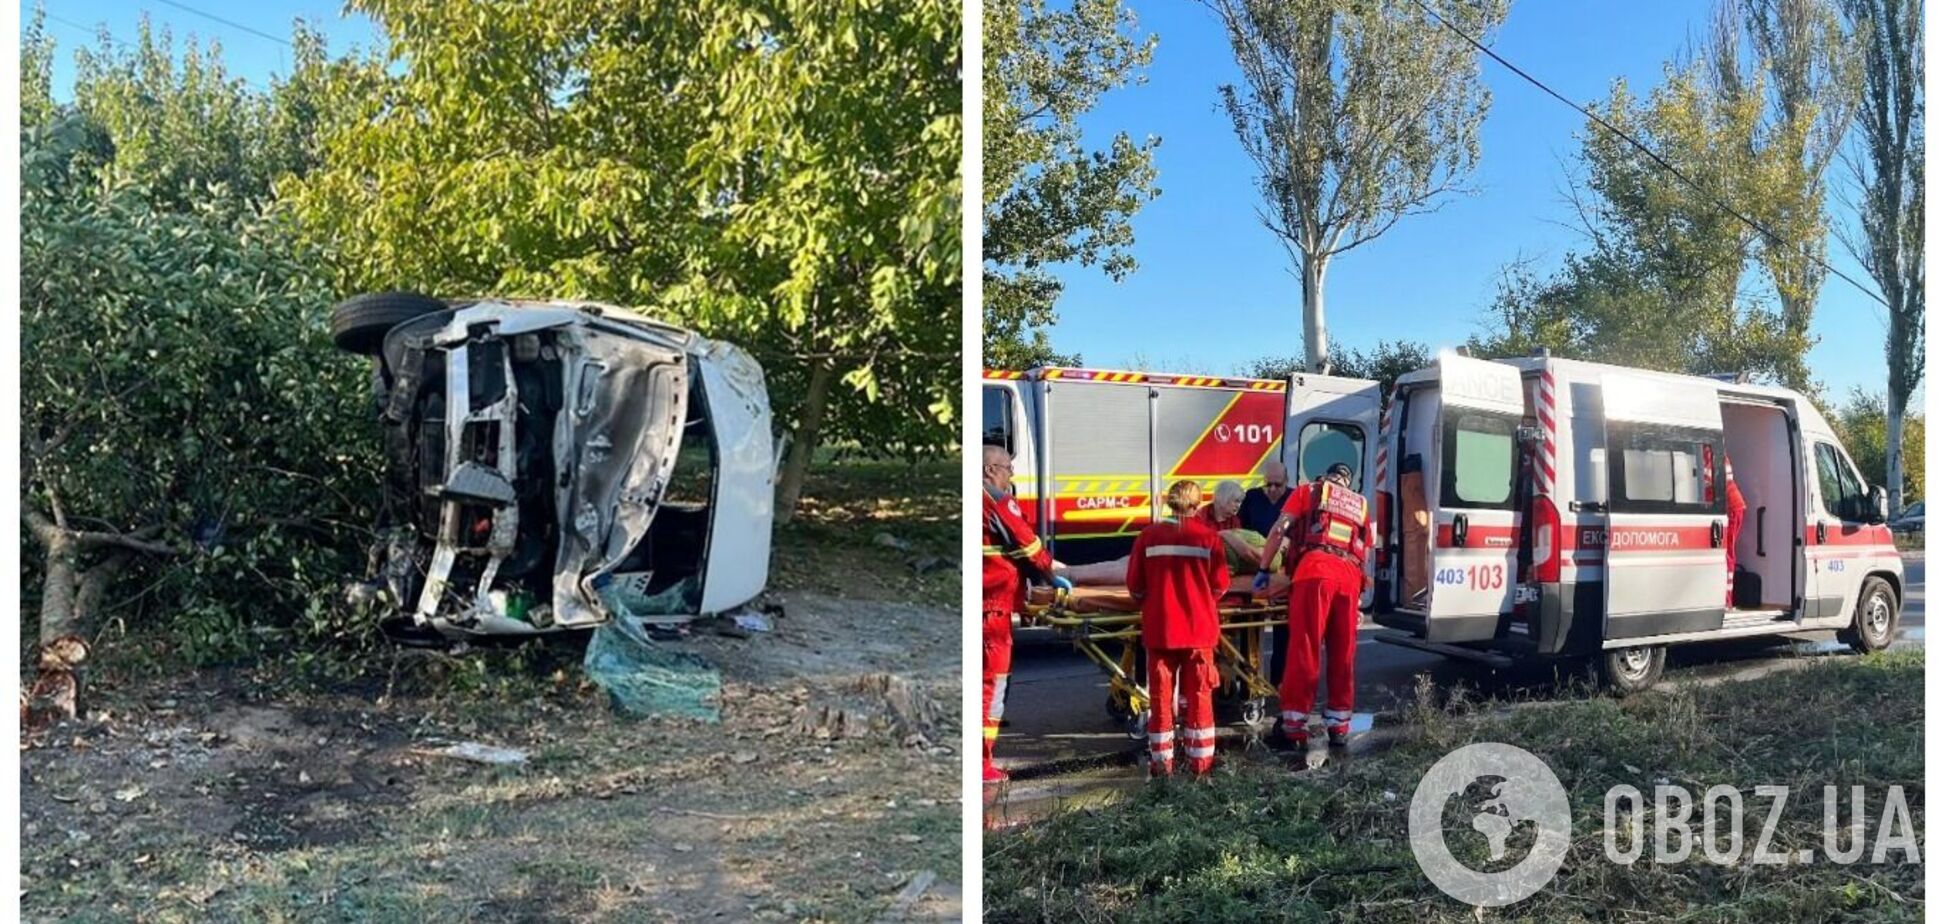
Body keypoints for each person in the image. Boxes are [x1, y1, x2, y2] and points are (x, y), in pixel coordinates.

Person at [1253, 461, 1372, 752]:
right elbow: (1366, 551)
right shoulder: (1361, 505)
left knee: (1305, 649)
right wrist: (1359, 596)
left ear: (1325, 476)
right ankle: (1339, 727)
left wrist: (1264, 567)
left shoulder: (1309, 491)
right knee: (1343, 654)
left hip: (1314, 573)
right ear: (1347, 481)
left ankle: (1294, 727)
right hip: (1349, 579)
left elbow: (1280, 528)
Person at [1127, 480, 1229, 777]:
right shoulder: (1209, 537)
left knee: (1160, 696)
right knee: (1199, 695)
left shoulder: (1148, 536)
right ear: (1198, 505)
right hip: (1199, 631)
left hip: (1161, 629)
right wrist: (1200, 601)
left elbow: (1135, 586)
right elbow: (1220, 586)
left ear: (1170, 502)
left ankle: (1162, 766)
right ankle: (1200, 767)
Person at [981, 444, 1065, 784]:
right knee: (991, 688)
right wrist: (1050, 574)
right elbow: (1029, 546)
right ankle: (981, 765)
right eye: (1007, 468)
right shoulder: (997, 501)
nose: (1011, 475)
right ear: (990, 470)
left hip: (988, 603)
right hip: (992, 610)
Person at [1239, 461, 1292, 536]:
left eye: (1278, 485)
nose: (1272, 489)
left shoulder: (1294, 497)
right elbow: (1239, 527)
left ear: (1286, 481)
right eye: (1268, 484)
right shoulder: (1252, 496)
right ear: (1264, 480)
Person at [1724, 454, 1746, 606]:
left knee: (1727, 554)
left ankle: (1727, 601)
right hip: (1731, 506)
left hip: (1732, 507)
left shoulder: (1713, 451)